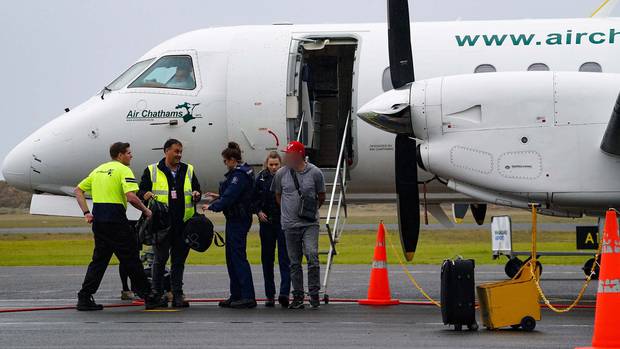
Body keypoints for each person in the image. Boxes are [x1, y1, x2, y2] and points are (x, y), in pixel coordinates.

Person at [73, 142, 159, 311]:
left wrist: (86, 213)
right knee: (131, 258)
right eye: (128, 153)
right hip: (116, 219)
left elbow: (78, 190)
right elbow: (131, 197)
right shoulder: (123, 170)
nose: (131, 156)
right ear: (120, 155)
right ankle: (149, 296)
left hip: (99, 219)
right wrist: (147, 211)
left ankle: (84, 296)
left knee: (99, 260)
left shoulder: (98, 170)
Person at [138, 139, 201, 308]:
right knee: (160, 260)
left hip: (183, 224)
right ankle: (156, 294)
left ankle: (177, 295)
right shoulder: (152, 170)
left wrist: (196, 193)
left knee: (178, 262)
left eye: (181, 151)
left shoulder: (188, 170)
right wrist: (144, 194)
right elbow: (140, 190)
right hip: (161, 225)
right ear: (166, 151)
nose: (179, 155)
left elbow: (197, 189)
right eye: (176, 151)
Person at [271, 141, 326, 309]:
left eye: (290, 154)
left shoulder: (315, 172)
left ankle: (314, 293)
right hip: (289, 225)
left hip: (309, 223)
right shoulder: (281, 173)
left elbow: (321, 196)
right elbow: (278, 196)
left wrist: (309, 211)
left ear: (299, 155)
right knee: (294, 262)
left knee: (312, 255)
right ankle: (298, 296)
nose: (287, 157)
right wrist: (289, 213)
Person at [202, 142, 256, 309]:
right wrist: (218, 197)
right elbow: (236, 195)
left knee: (237, 257)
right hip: (236, 219)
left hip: (238, 220)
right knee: (232, 258)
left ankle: (247, 296)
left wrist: (212, 206)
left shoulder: (238, 175)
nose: (225, 164)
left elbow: (231, 196)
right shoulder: (242, 173)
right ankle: (237, 294)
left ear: (232, 160)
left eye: (225, 161)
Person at [252, 151, 291, 308]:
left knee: (285, 259)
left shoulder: (287, 176)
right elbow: (253, 198)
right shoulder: (261, 178)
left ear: (280, 164)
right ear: (267, 165)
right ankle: (269, 294)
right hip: (266, 223)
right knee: (267, 260)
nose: (274, 167)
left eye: (276, 165)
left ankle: (284, 293)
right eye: (271, 165)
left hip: (283, 223)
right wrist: (258, 211)